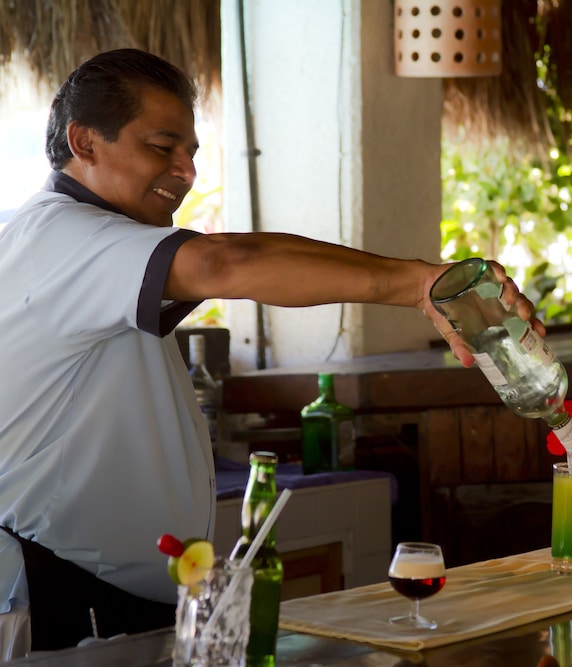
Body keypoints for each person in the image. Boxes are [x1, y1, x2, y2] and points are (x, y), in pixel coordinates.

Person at [0, 48, 539, 657]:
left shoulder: (68, 242)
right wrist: (419, 285)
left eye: (192, 153)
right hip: (58, 595)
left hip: (96, 590)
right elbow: (227, 262)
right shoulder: (65, 236)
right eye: (161, 146)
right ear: (84, 142)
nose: (185, 171)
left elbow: (225, 260)